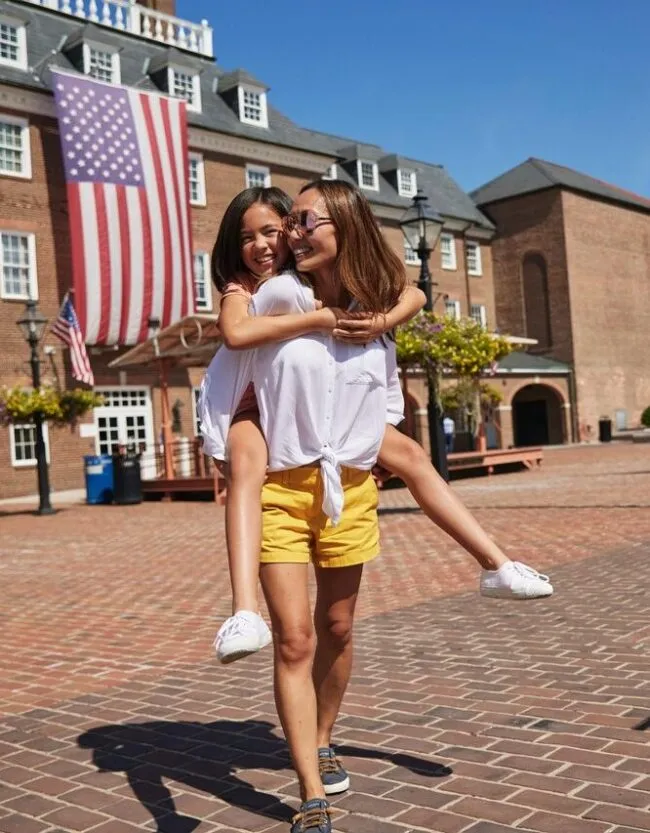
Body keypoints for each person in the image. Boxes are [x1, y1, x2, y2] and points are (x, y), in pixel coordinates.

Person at [202, 186, 553, 664]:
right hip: (253, 408)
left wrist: (378, 320)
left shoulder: (310, 277)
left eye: (273, 231)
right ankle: (244, 610)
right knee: (246, 467)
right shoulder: (245, 287)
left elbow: (415, 294)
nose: (261, 245)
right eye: (247, 238)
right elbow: (237, 333)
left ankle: (497, 564)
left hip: (323, 414)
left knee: (411, 455)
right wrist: (321, 319)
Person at [201, 180, 410, 833]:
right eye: (254, 235)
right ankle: (310, 794)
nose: (273, 241)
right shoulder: (262, 299)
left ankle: (321, 733)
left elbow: (405, 293)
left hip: (344, 484)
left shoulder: (344, 300)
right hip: (279, 485)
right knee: (294, 636)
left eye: (284, 227)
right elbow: (236, 336)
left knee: (339, 625)